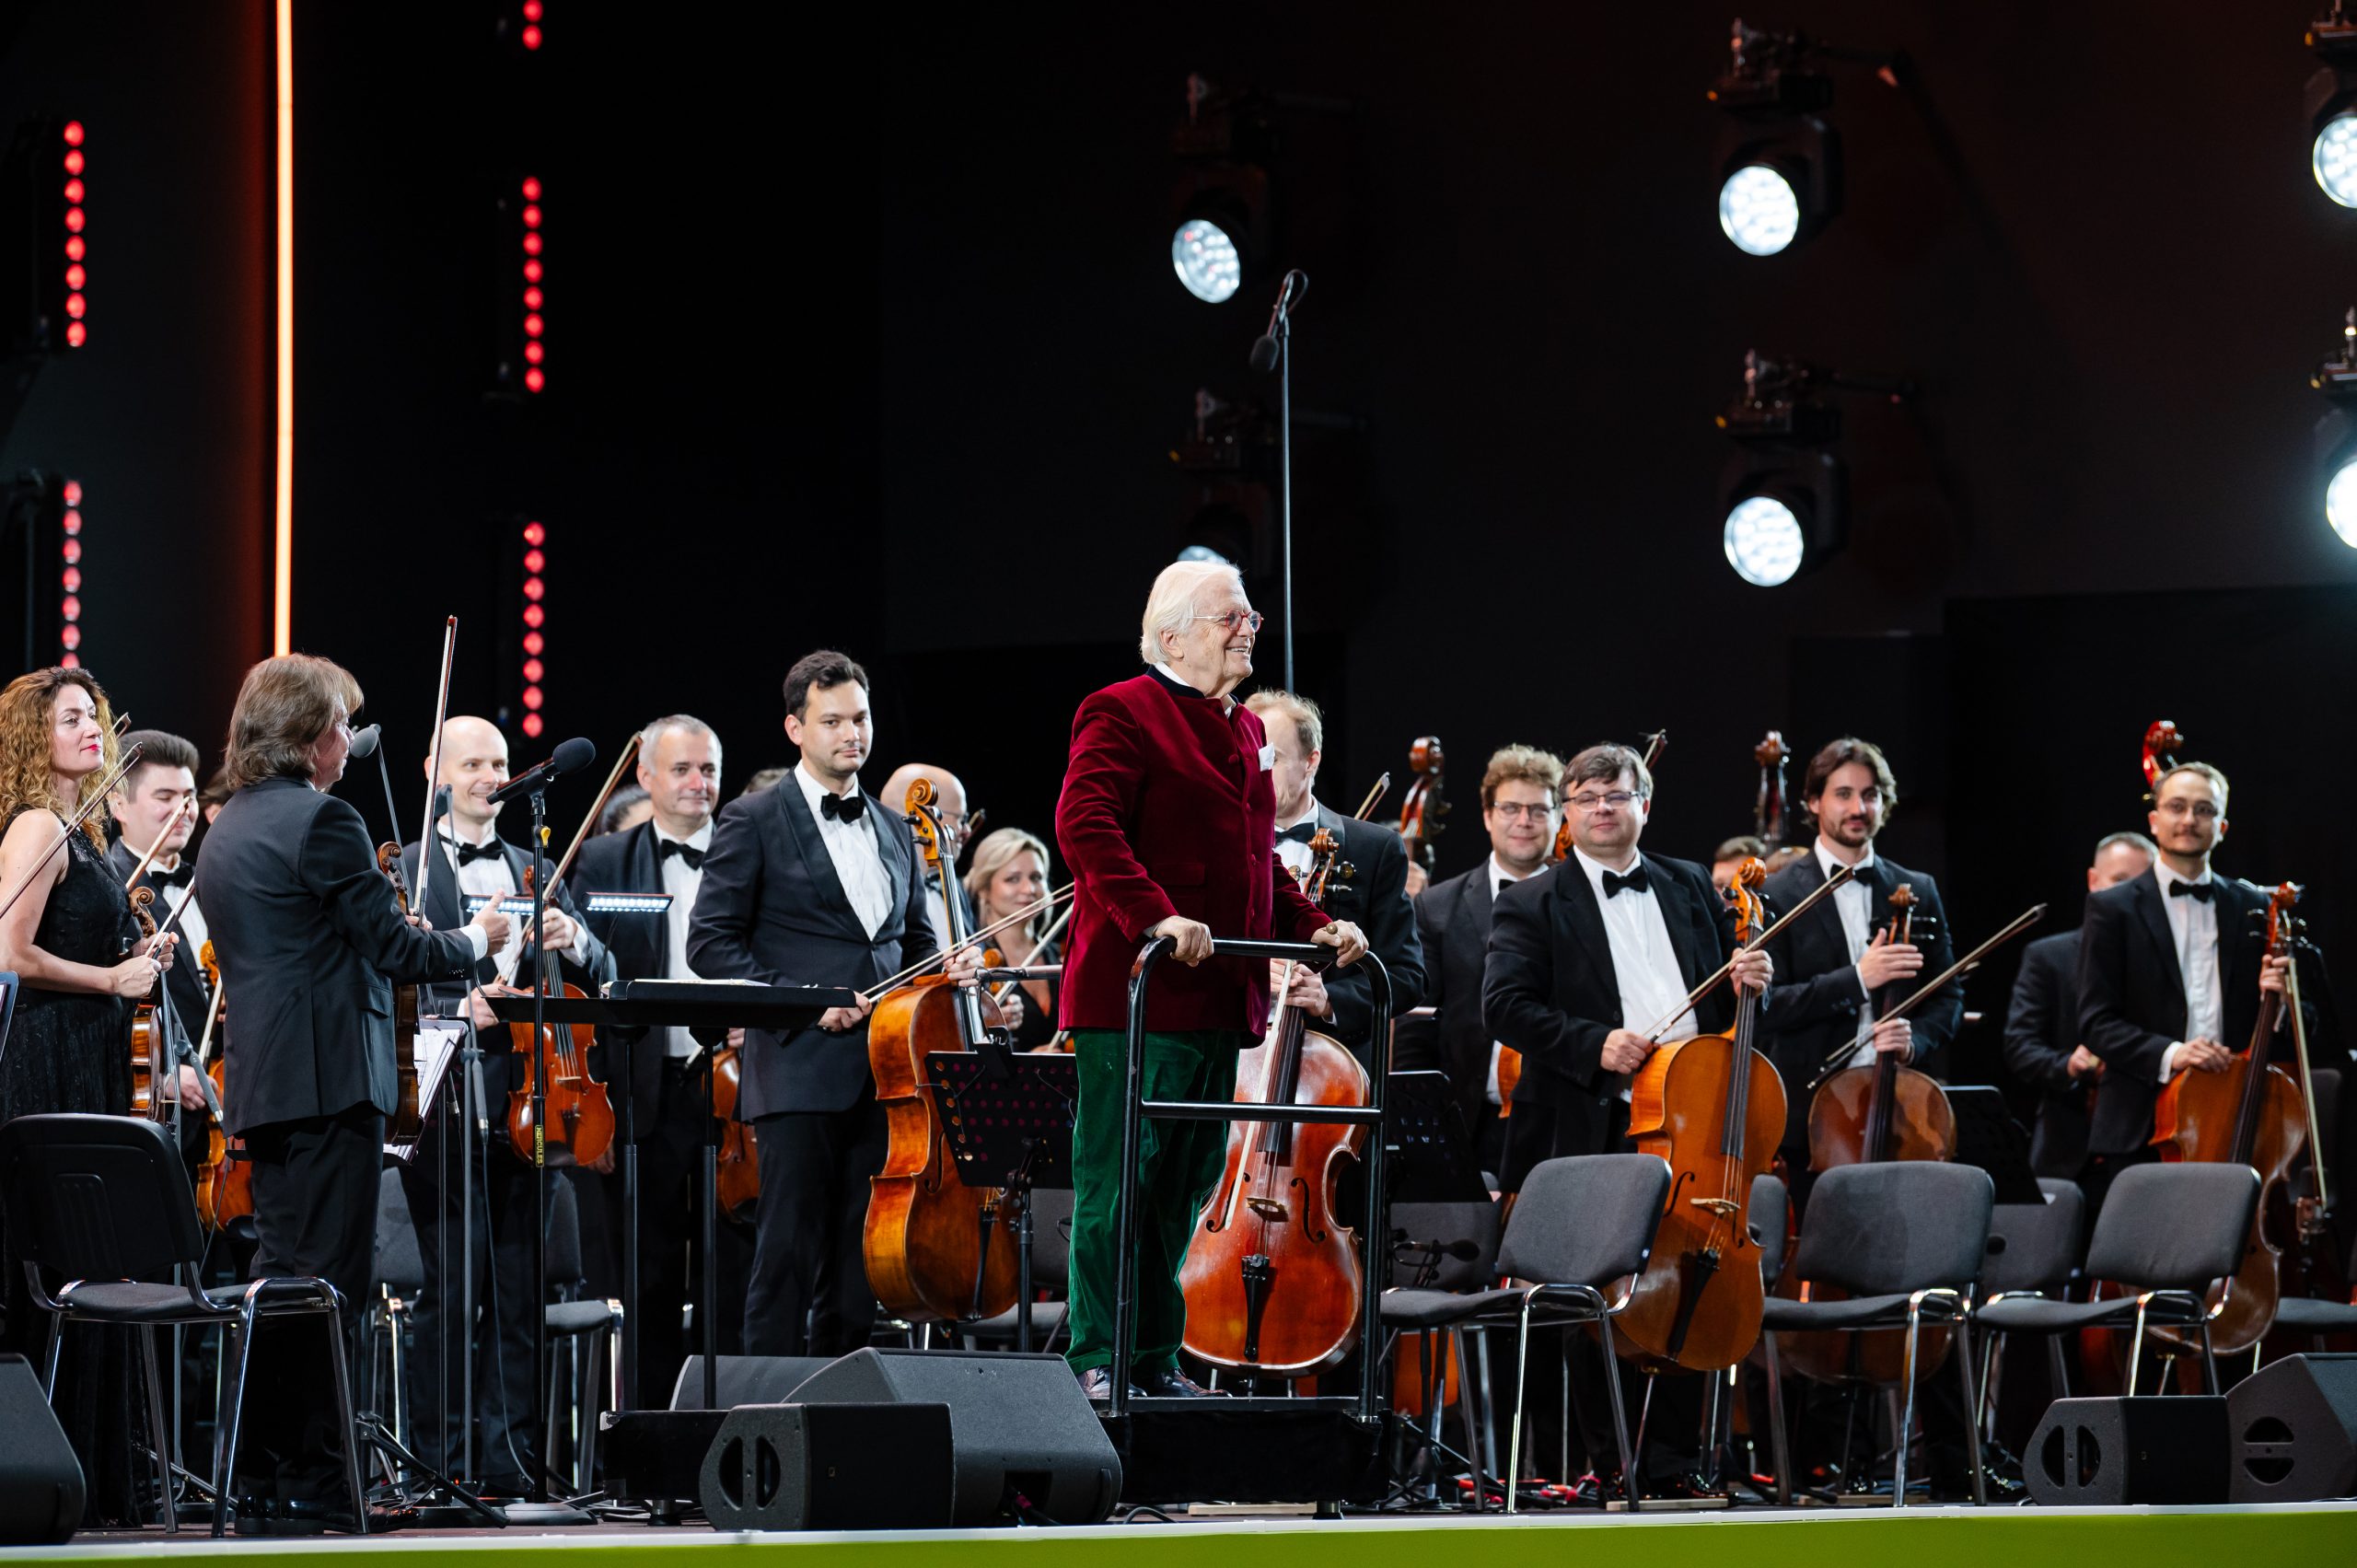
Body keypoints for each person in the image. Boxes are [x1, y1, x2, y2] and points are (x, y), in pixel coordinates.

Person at [196, 656, 507, 1524]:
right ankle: (329, 1483)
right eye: (339, 723)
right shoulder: (324, 821)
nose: (348, 740)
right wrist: (472, 938)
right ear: (304, 735)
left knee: (287, 1284)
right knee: (333, 1289)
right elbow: (399, 950)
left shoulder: (226, 828)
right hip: (331, 1081)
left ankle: (268, 1471)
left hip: (265, 1081)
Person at [1049, 560, 1364, 1400]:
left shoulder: (1249, 733)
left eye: (1250, 614)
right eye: (1231, 616)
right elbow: (1085, 823)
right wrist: (1154, 915)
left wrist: (1311, 925)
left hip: (1223, 997)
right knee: (1121, 1182)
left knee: (1185, 1186)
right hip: (1137, 996)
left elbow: (1256, 861)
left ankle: (1151, 1362)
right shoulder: (1120, 709)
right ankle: (1097, 1359)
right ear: (1174, 632)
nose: (1249, 625)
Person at [1478, 740, 1771, 1492]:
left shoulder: (1688, 885)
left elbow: (1717, 999)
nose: (1604, 808)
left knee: (1688, 1282)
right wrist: (1594, 1043)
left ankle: (1676, 1461)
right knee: (1598, 1304)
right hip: (1593, 1122)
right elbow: (1503, 1007)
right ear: (1568, 815)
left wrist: (1751, 980)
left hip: (1690, 1119)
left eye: (1618, 795)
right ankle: (1608, 1461)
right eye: (1588, 798)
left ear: (1647, 804)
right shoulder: (1531, 899)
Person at [688, 651, 955, 1358]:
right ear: (795, 728)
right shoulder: (752, 818)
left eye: (860, 718)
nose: (851, 734)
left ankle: (845, 1418)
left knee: (857, 1263)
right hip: (799, 1073)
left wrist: (942, 974)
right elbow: (708, 944)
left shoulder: (897, 829)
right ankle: (762, 1420)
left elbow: (915, 944)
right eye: (831, 720)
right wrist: (807, 1004)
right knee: (785, 1258)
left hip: (888, 1078)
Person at [393, 714, 612, 1496]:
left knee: (520, 1294)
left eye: (500, 762)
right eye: (475, 762)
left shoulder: (534, 863)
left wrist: (574, 941)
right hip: (449, 1099)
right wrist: (460, 1005)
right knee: (449, 1294)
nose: (492, 775)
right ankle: (438, 1461)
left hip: (538, 1103)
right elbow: (390, 980)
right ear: (434, 771)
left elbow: (606, 967)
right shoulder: (407, 869)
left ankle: (508, 1461)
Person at [0, 668, 174, 1524]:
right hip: (48, 1060)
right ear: (37, 737)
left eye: (94, 716)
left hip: (89, 1056)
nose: (92, 729)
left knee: (95, 1262)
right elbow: (12, 952)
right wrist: (112, 977)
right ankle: (58, 1478)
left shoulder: (88, 828)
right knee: (66, 1264)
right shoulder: (39, 824)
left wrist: (139, 958)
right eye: (71, 719)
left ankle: (97, 1475)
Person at [574, 714, 746, 1405]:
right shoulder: (602, 860)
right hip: (640, 1091)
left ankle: (730, 1428)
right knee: (644, 1277)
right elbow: (586, 986)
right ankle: (648, 1445)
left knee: (730, 1271)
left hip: (734, 1092)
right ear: (645, 776)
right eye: (681, 769)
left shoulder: (748, 847)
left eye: (708, 769)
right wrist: (595, 1106)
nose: (698, 783)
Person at [2077, 763, 2294, 1221]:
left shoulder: (2255, 905)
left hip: (2234, 1113)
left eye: (2204, 810)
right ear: (2154, 820)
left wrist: (2277, 1004)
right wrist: (2175, 1053)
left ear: (2222, 827)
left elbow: (2302, 1025)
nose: (2189, 819)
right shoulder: (2110, 908)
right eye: (2176, 807)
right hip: (2141, 1121)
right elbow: (2096, 1022)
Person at [1756, 737, 1950, 1193]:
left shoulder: (1916, 887)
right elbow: (1769, 1007)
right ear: (1813, 801)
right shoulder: (1778, 894)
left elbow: (1948, 996)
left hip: (1903, 1106)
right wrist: (1859, 979)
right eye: (1843, 794)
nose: (1858, 807)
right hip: (1813, 1115)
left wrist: (1914, 1039)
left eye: (1870, 795)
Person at [1392, 744, 1563, 1177]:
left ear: (1560, 818)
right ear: (1488, 815)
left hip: (1562, 1122)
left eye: (1539, 810)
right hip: (1468, 1121)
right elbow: (1416, 1024)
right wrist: (1425, 1121)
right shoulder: (1437, 906)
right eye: (1510, 808)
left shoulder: (1581, 904)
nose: (1524, 821)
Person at [1243, 690, 1424, 1063]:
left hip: (1331, 1068)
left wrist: (1329, 1000)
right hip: (1235, 1063)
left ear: (1311, 762)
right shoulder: (1218, 844)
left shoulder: (1373, 849)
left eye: (1271, 758)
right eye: (1247, 757)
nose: (1255, 771)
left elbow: (1407, 976)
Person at [2003, 831, 2154, 1182]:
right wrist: (2067, 1064)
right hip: (2066, 1148)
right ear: (2093, 880)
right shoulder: (2048, 956)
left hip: (2145, 1149)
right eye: (2118, 881)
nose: (2127, 896)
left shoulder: (2160, 962)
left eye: (2139, 885)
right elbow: (2020, 1045)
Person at [105, 728, 215, 1158]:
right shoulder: (109, 889)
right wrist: (163, 1070)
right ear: (118, 804)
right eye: (165, 797)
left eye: (188, 797)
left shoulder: (208, 880)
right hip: (154, 1108)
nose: (183, 811)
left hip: (227, 1094)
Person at [962, 826, 1062, 1049]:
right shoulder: (972, 963)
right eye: (1013, 879)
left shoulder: (1059, 954)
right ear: (985, 889)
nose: (1029, 889)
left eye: (1036, 877)